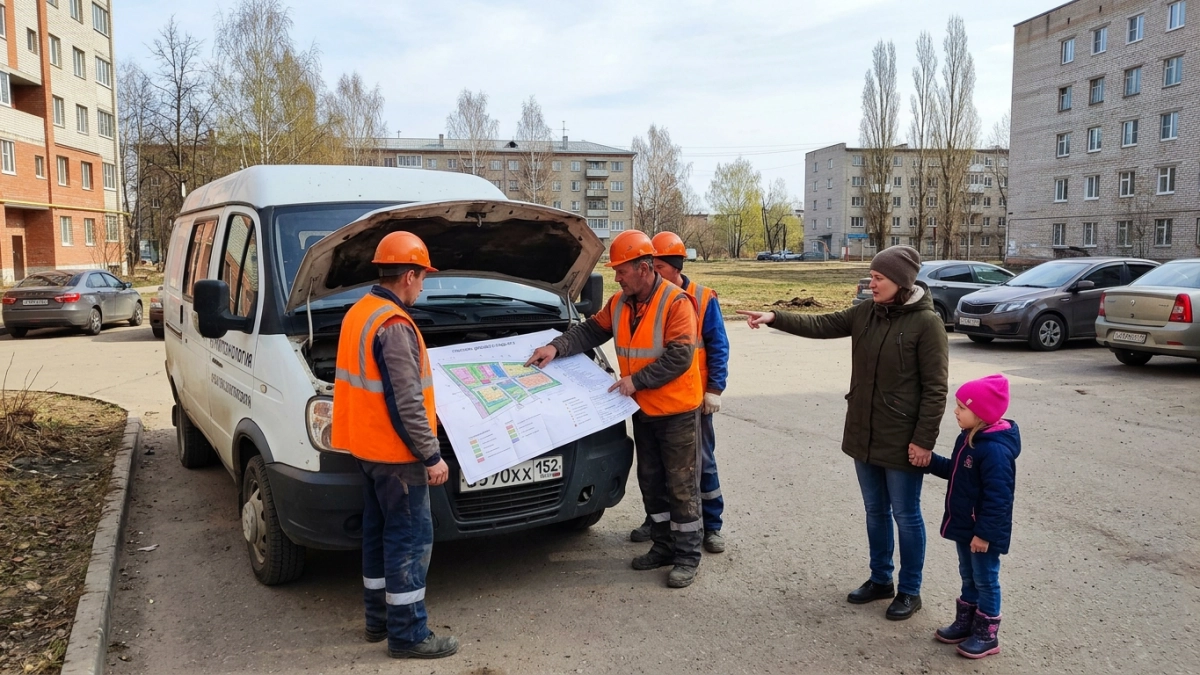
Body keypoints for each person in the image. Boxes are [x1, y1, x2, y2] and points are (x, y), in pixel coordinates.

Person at [737, 245, 948, 620]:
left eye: (879, 278)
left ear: (901, 282)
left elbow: (936, 388)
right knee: (874, 510)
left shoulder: (926, 323)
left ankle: (910, 590)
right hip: (863, 430)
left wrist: (923, 441)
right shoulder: (866, 312)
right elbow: (822, 324)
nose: (872, 282)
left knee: (906, 514)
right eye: (872, 276)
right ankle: (881, 578)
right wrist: (774, 317)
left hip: (903, 438)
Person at [526, 230, 705, 588]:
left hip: (676, 412)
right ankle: (662, 545)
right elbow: (590, 331)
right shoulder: (621, 302)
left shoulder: (676, 303)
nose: (616, 277)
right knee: (651, 481)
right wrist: (555, 348)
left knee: (681, 485)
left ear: (644, 267)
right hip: (642, 410)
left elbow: (680, 356)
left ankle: (687, 556)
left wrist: (636, 382)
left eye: (621, 271)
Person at [332, 231, 459, 659]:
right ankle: (407, 635)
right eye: (423, 277)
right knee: (409, 542)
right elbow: (407, 402)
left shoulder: (359, 312)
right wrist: (432, 455)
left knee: (378, 536)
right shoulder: (394, 325)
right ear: (408, 275)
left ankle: (378, 621)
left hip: (366, 450)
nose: (423, 285)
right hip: (398, 457)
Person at [628, 232, 730, 553]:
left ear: (674, 267)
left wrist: (714, 389)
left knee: (701, 464)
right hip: (658, 398)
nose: (653, 271)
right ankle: (658, 522)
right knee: (658, 467)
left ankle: (711, 526)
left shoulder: (701, 297)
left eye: (657, 265)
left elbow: (718, 346)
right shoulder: (645, 299)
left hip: (695, 399)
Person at [913, 374, 1020, 659]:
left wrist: (984, 534)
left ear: (982, 413)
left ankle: (987, 635)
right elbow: (958, 473)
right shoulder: (969, 439)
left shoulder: (995, 451)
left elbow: (1000, 499)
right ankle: (966, 623)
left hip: (982, 532)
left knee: (985, 578)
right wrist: (930, 462)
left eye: (962, 407)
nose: (956, 411)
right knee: (968, 576)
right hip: (965, 527)